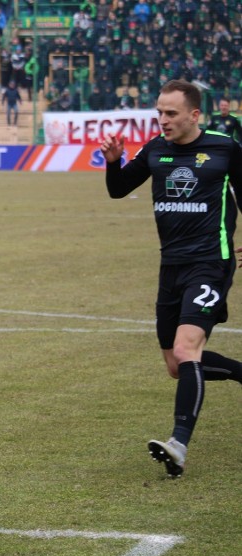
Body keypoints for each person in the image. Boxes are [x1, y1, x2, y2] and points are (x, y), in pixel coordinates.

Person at [101, 79, 242, 478]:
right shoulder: (155, 149)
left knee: (186, 348)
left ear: (194, 115)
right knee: (176, 365)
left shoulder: (225, 148)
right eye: (159, 112)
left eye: (171, 113)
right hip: (171, 266)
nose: (162, 120)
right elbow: (118, 189)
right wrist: (113, 160)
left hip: (212, 262)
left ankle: (178, 444)